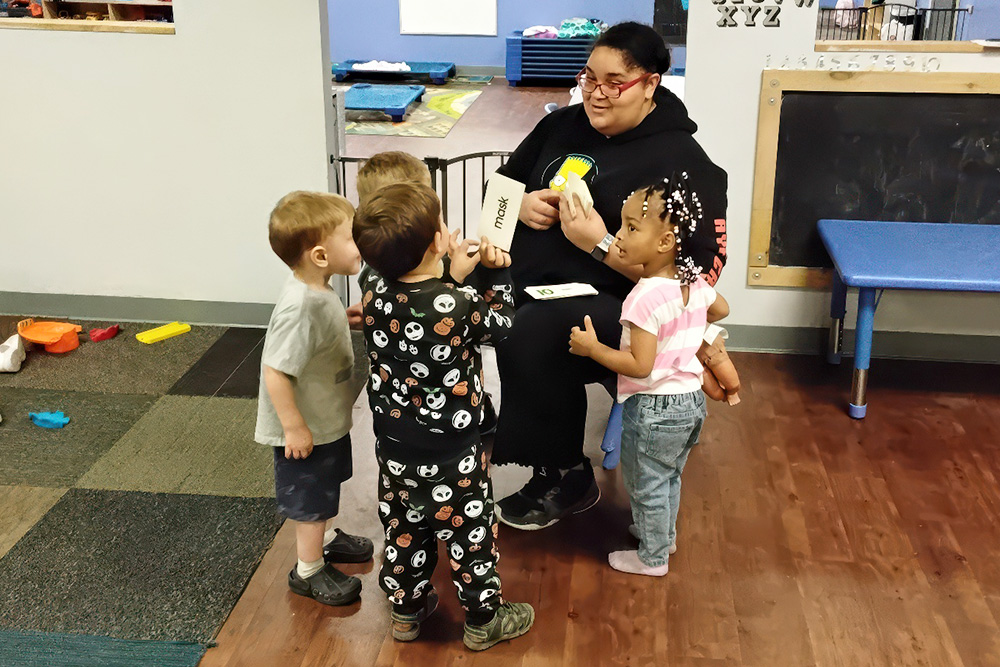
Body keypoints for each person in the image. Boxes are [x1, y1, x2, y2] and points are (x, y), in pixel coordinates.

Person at [491, 21, 728, 530]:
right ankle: (462, 415)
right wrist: (518, 206)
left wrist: (598, 244)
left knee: (534, 328)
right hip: (529, 276)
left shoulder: (682, 163)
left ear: (650, 84)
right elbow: (501, 188)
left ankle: (565, 474)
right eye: (588, 78)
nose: (597, 94)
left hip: (623, 303)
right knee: (441, 288)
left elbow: (696, 280)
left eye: (614, 83)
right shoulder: (561, 126)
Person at [353, 182, 535, 651]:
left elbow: (419, 299)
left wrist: (449, 270)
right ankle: (483, 619)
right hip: (453, 452)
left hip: (394, 445)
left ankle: (406, 612)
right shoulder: (459, 305)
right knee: (470, 533)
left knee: (405, 527)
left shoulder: (372, 288)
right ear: (438, 240)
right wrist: (496, 273)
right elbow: (501, 324)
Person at [568, 175, 728, 575]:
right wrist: (688, 322)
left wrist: (593, 349)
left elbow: (641, 366)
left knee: (646, 483)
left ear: (665, 242)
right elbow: (720, 308)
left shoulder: (642, 297)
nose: (618, 234)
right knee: (668, 475)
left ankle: (652, 557)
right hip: (690, 402)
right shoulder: (691, 283)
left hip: (654, 406)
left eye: (631, 227)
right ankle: (663, 536)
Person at [254, 191, 374, 606]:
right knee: (310, 499)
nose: (361, 245)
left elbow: (314, 336)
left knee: (326, 487)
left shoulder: (318, 291)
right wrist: (293, 426)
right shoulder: (299, 306)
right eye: (352, 238)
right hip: (306, 427)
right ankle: (308, 569)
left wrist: (342, 318)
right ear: (321, 256)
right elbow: (275, 370)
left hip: (325, 418)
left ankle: (325, 538)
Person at [347, 151, 499, 434]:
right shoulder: (377, 274)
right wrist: (459, 276)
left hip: (400, 404)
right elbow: (427, 311)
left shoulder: (376, 266)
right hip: (435, 391)